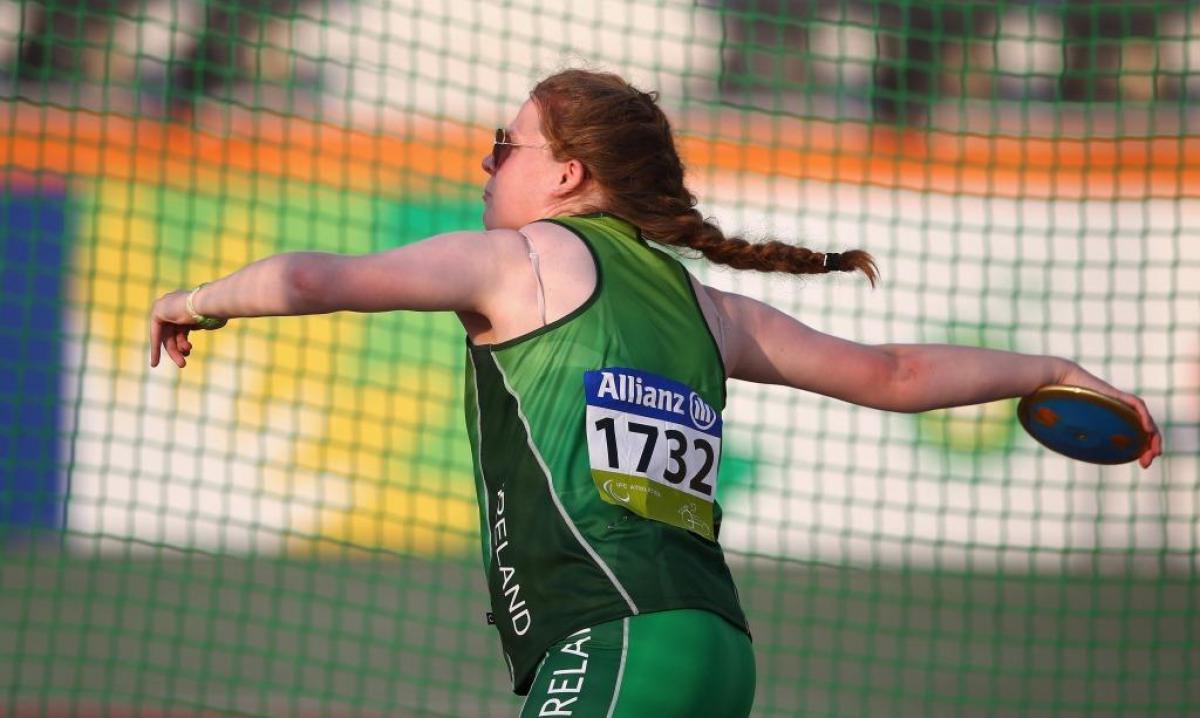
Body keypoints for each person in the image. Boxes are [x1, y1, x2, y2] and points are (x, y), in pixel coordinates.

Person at [149, 68, 1163, 717]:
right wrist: (1047, 368)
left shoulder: (520, 264)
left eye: (506, 147)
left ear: (565, 172)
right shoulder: (706, 305)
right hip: (717, 657)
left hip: (616, 638)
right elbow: (892, 375)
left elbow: (316, 279)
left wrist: (195, 298)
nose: (488, 165)